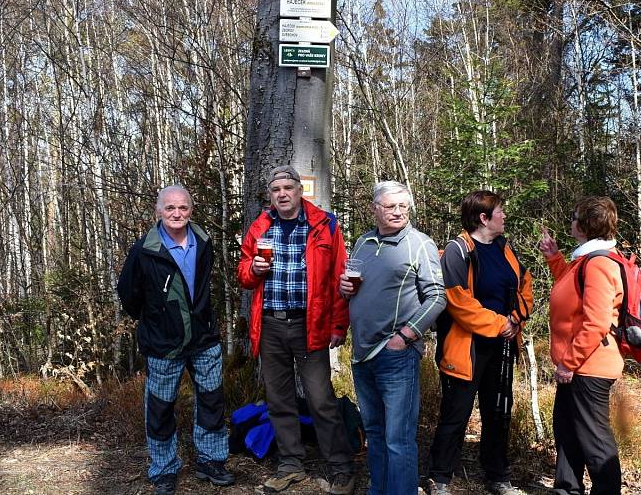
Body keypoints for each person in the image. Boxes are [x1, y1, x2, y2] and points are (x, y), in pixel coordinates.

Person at [237, 165, 355, 494]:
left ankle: (341, 467)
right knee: (279, 398)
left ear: (300, 191)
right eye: (276, 190)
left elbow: (340, 280)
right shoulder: (260, 226)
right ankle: (290, 463)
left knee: (320, 399)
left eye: (289, 187)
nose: (283, 194)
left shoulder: (325, 224)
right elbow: (243, 274)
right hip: (272, 323)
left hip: (310, 324)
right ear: (270, 195)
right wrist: (254, 268)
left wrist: (338, 324)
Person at [117, 185, 234, 495]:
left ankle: (211, 460)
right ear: (158, 211)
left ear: (190, 210)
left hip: (204, 338)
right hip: (163, 343)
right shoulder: (145, 249)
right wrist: (158, 318)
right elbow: (128, 295)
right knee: (160, 407)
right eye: (170, 208)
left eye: (182, 207)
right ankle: (164, 469)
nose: (177, 213)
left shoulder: (204, 242)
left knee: (211, 401)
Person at [339, 181, 446, 495]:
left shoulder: (419, 243)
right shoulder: (363, 242)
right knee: (374, 431)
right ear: (374, 209)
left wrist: (406, 335)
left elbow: (437, 297)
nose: (398, 212)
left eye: (403, 206)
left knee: (398, 438)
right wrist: (344, 290)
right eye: (390, 206)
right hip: (362, 354)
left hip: (396, 354)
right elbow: (354, 289)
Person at [427, 191, 533, 495]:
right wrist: (500, 324)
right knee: (456, 413)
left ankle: (498, 476)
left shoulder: (504, 248)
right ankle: (440, 478)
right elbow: (458, 301)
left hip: (503, 344)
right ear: (483, 218)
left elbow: (525, 286)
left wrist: (515, 320)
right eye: (499, 211)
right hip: (466, 346)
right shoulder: (458, 250)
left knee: (498, 411)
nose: (504, 216)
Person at [538, 196, 625, 495]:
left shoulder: (599, 263)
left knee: (594, 439)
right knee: (566, 432)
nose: (571, 222)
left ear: (586, 225)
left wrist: (568, 362)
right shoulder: (585, 260)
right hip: (578, 365)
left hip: (588, 366)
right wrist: (554, 258)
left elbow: (596, 322)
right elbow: (570, 289)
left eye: (575, 217)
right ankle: (566, 488)